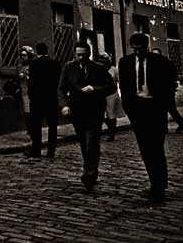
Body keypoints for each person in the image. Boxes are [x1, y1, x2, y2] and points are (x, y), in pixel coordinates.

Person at [119, 33, 177, 202]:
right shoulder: (125, 62)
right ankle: (155, 182)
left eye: (141, 49)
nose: (137, 52)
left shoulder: (160, 62)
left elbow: (170, 83)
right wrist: (130, 110)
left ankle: (159, 185)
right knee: (145, 149)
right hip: (138, 110)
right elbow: (125, 87)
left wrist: (164, 106)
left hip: (155, 109)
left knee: (156, 148)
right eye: (134, 49)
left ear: (147, 47)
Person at [58, 41, 114, 192]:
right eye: (78, 55)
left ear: (89, 53)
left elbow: (111, 87)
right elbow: (61, 89)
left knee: (92, 141)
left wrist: (94, 89)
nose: (81, 57)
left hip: (95, 111)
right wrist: (64, 105)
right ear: (75, 54)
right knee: (84, 142)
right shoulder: (69, 67)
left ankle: (88, 173)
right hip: (77, 111)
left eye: (84, 54)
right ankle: (92, 170)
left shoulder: (98, 68)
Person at [27, 42, 61, 158]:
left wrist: (31, 97)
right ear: (47, 51)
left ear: (37, 51)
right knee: (52, 126)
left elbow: (30, 84)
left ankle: (36, 150)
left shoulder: (34, 64)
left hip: (37, 100)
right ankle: (51, 151)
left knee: (36, 126)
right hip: (51, 99)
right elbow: (58, 83)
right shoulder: (55, 64)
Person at [152, 48, 183, 133]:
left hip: (168, 91)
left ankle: (181, 124)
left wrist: (172, 86)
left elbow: (174, 75)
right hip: (158, 92)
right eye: (153, 54)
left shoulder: (166, 63)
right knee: (161, 110)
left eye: (156, 54)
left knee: (171, 109)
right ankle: (164, 128)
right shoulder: (152, 65)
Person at [96, 53, 125, 141]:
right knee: (102, 115)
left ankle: (111, 133)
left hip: (111, 95)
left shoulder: (114, 70)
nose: (103, 62)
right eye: (101, 60)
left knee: (111, 115)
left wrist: (121, 93)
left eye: (105, 60)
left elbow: (120, 82)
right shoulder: (97, 69)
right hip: (101, 95)